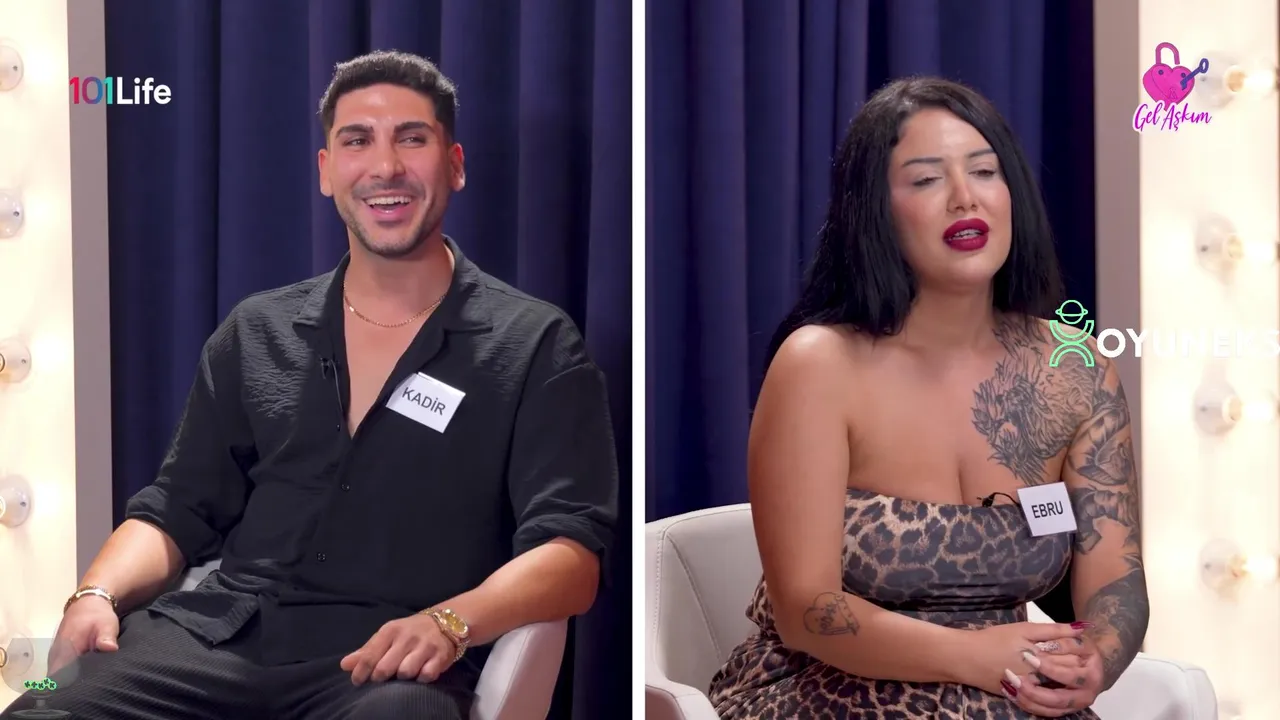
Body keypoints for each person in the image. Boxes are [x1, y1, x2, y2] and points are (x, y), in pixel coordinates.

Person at [1, 50, 618, 720]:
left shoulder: (535, 343)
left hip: (384, 664)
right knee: (41, 707)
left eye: (412, 139)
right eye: (357, 141)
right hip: (214, 638)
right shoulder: (256, 328)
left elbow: (571, 556)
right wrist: (93, 594)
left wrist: (450, 621)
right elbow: (174, 509)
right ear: (326, 172)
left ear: (455, 164)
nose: (385, 167)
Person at [706, 76, 1148, 719]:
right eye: (926, 179)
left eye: (985, 172)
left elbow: (1116, 578)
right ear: (874, 211)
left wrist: (1097, 657)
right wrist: (972, 656)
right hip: (830, 689)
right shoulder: (819, 363)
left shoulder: (1074, 367)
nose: (965, 197)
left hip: (1012, 689)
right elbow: (807, 611)